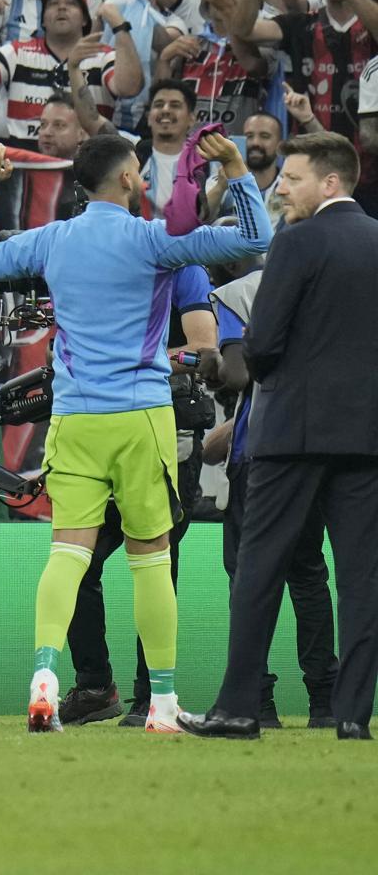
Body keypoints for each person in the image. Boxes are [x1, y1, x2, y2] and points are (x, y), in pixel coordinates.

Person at [0, 130, 272, 733]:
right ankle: (163, 704)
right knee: (151, 558)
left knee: (69, 552)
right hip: (141, 417)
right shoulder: (156, 241)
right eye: (140, 172)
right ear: (126, 179)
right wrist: (235, 169)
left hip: (74, 419)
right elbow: (257, 237)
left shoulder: (51, 240)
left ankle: (45, 675)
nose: (146, 179)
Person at [183, 130, 375, 741]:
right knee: (361, 578)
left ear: (331, 183)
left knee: (260, 569)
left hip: (290, 431)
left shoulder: (297, 241)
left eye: (292, 179)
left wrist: (260, 364)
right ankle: (351, 717)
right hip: (366, 436)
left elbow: (260, 346)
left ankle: (239, 708)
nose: (281, 189)